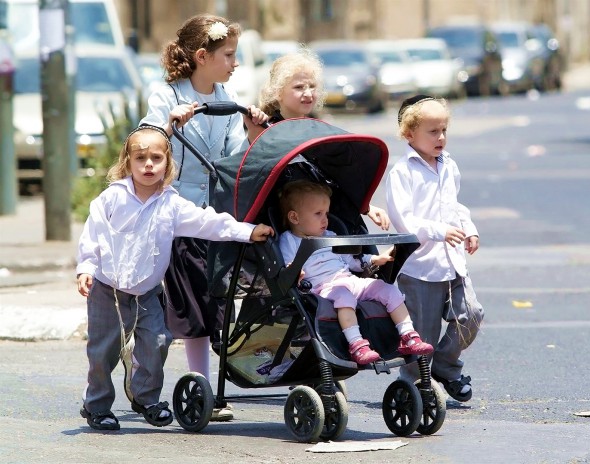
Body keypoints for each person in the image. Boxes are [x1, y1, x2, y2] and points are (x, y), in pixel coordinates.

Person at [76, 126, 273, 431]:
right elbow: (93, 234)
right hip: (108, 290)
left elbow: (209, 223)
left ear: (168, 163)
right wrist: (86, 267)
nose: (149, 165)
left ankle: (146, 399)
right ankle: (97, 405)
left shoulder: (172, 203)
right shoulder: (111, 199)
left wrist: (247, 232)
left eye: (156, 157)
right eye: (140, 158)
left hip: (149, 291)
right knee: (103, 351)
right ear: (127, 162)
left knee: (157, 343)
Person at [138, 14, 269, 421]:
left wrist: (251, 132)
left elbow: (231, 161)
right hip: (175, 215)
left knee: (220, 298)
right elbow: (144, 146)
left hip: (215, 215)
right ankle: (203, 388)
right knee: (192, 303)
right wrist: (168, 127)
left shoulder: (228, 101)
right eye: (229, 55)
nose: (235, 63)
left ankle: (213, 384)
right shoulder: (165, 96)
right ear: (201, 56)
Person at [385, 94, 484, 402]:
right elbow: (405, 221)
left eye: (443, 130)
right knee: (421, 337)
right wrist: (439, 231)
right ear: (409, 134)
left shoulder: (448, 164)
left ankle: (444, 366)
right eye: (432, 131)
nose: (440, 137)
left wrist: (468, 228)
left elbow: (453, 206)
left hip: (452, 261)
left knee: (471, 315)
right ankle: (415, 388)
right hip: (420, 267)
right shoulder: (402, 172)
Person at [277, 180, 433, 365]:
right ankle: (357, 345)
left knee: (387, 289)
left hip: (348, 279)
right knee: (343, 295)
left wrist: (375, 260)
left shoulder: (331, 236)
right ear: (295, 218)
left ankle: (408, 336)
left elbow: (352, 261)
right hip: (322, 288)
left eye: (326, 213)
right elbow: (287, 265)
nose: (325, 219)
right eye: (318, 214)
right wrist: (295, 272)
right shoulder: (289, 240)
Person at [246, 48, 391, 231]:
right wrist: (254, 130)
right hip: (288, 232)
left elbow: (336, 179)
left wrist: (366, 207)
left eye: (312, 86)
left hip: (325, 224)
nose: (308, 94)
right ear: (278, 93)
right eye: (299, 87)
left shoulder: (318, 130)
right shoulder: (267, 130)